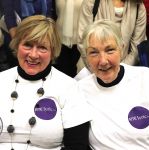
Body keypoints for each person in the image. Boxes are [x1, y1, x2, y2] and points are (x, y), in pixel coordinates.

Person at [0, 15, 91, 150]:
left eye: (42, 47)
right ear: (17, 45)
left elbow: (78, 146)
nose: (33, 55)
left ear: (53, 51)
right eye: (27, 45)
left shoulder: (69, 87)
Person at [76, 20, 149, 149]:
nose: (103, 61)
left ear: (121, 48)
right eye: (94, 52)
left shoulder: (145, 78)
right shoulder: (79, 90)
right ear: (86, 56)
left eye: (110, 50)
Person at [77, 0, 147, 67]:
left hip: (125, 69)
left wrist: (118, 71)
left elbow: (136, 49)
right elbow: (82, 42)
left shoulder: (139, 7)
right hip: (90, 68)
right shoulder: (91, 2)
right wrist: (98, 68)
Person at [0, 0, 57, 71]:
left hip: (42, 38)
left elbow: (49, 16)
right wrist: (20, 44)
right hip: (17, 38)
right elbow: (9, 18)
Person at [54, 0, 84, 77]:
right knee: (61, 71)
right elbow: (55, 13)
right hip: (60, 38)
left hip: (79, 40)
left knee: (76, 71)